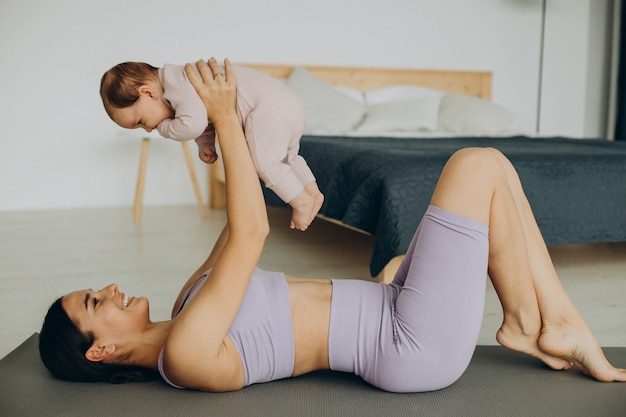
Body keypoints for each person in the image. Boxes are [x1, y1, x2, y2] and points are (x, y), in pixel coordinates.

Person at [39, 58, 626, 392]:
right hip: (407, 343)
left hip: (391, 301)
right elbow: (251, 234)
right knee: (475, 165)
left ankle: (532, 323)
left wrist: (226, 128)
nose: (110, 288)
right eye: (95, 301)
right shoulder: (187, 353)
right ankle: (551, 324)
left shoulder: (189, 301)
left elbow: (241, 214)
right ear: (103, 351)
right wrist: (218, 112)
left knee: (493, 169)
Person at [100, 60, 324, 231]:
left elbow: (192, 124)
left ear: (147, 93)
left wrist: (164, 128)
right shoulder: (180, 86)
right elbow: (205, 117)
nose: (148, 128)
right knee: (289, 156)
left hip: (268, 107)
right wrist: (206, 144)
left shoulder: (177, 84)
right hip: (287, 102)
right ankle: (312, 192)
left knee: (265, 163)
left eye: (140, 122)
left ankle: (301, 201)